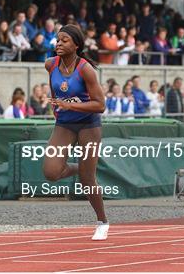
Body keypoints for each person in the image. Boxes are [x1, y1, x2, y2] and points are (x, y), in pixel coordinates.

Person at [43, 24, 109, 240]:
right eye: (57, 39)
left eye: (64, 40)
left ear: (76, 45)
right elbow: (54, 90)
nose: (59, 43)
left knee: (87, 179)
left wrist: (72, 105)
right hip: (65, 123)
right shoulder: (50, 64)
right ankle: (78, 167)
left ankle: (102, 222)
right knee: (51, 172)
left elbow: (100, 105)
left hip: (89, 125)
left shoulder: (85, 69)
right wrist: (57, 108)